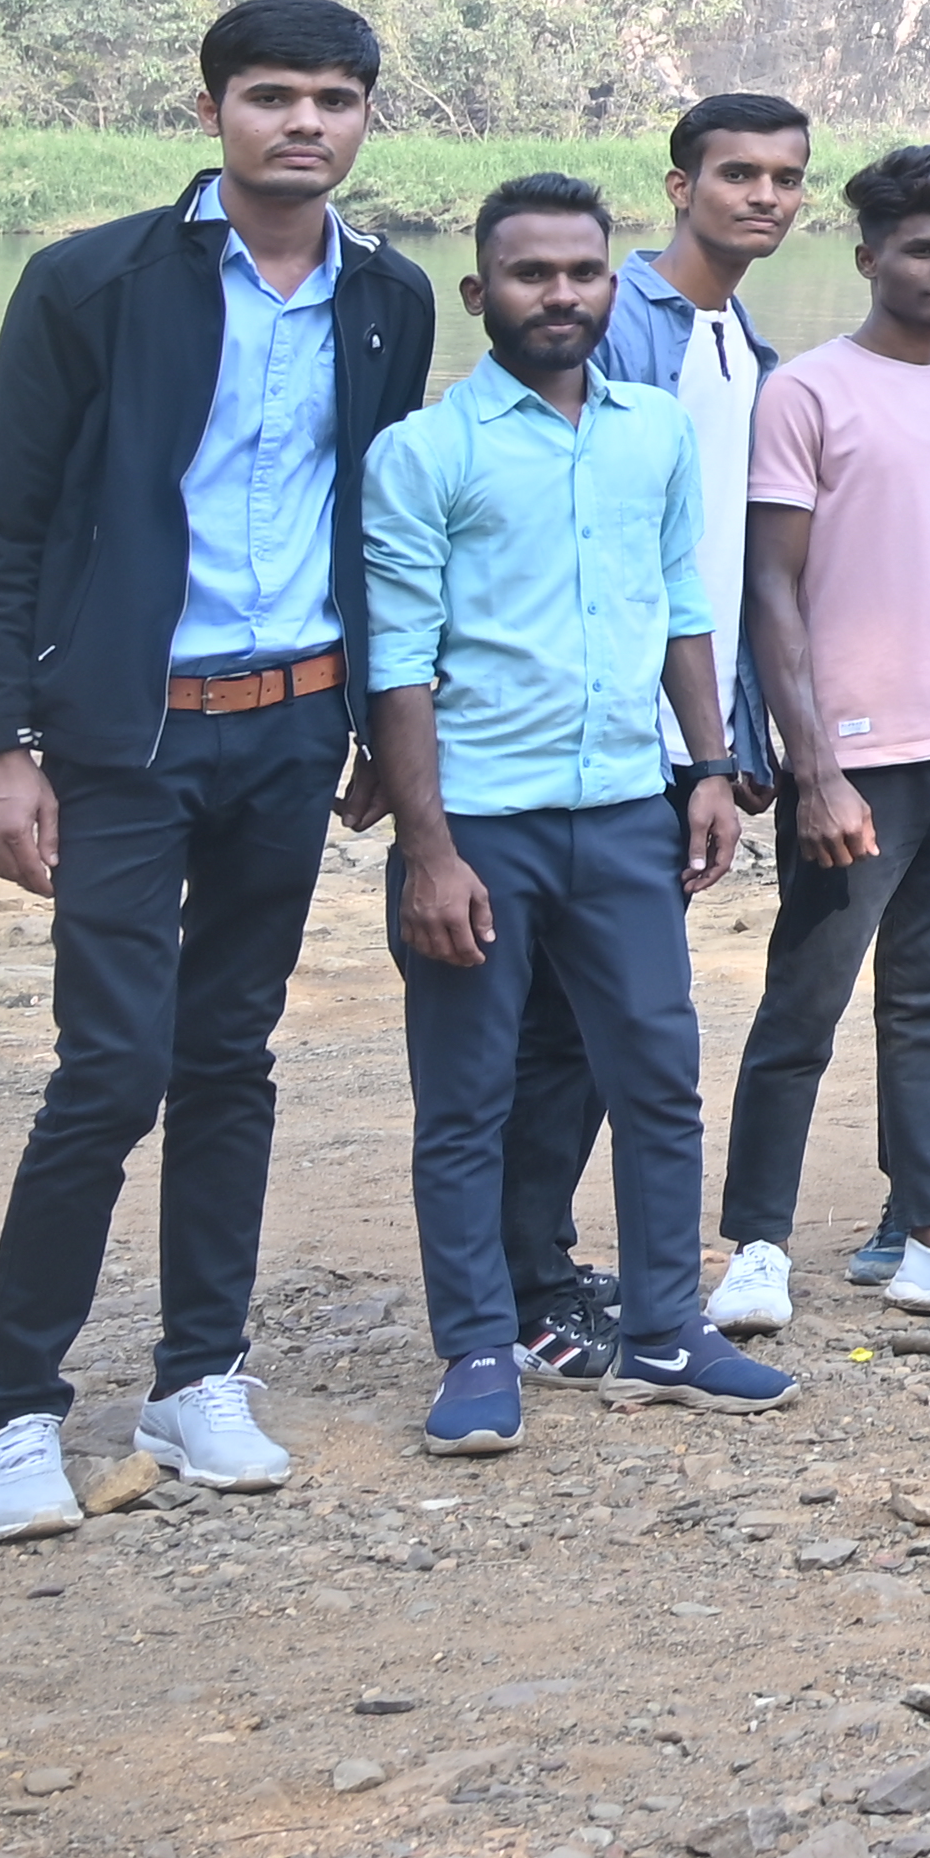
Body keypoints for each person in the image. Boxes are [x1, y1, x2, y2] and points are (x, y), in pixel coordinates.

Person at [0, 0, 446, 1540]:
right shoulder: (92, 281)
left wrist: (373, 716)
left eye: (336, 99)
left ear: (367, 118)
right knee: (111, 1067)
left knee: (233, 1053)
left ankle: (196, 1376)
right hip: (127, 736)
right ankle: (16, 1415)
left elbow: (375, 517)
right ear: (213, 107)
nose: (305, 122)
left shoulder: (389, 296)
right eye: (272, 95)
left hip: (291, 728)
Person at [366, 176, 778, 1452]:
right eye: (533, 274)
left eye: (583, 272)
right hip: (481, 824)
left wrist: (708, 768)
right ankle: (478, 1348)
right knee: (468, 1097)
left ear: (614, 284)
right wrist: (425, 849)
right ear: (478, 291)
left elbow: (683, 608)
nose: (562, 294)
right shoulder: (427, 450)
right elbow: (399, 660)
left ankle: (664, 1329)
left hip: (623, 814)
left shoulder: (652, 431)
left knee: (659, 1077)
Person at [715, 144, 930, 1334]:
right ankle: (755, 1245)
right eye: (922, 247)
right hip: (861, 756)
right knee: (803, 1002)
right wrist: (811, 764)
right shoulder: (806, 391)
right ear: (866, 256)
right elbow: (772, 586)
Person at [508, 90, 801, 1376]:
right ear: (678, 185)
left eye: (787, 178)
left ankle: (547, 1266)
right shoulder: (615, 319)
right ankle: (520, 1282)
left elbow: (719, 565)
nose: (764, 197)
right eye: (737, 174)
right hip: (583, 746)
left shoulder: (748, 344)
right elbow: (577, 528)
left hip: (680, 740)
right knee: (545, 1026)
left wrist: (725, 755)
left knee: (595, 1025)